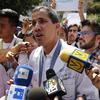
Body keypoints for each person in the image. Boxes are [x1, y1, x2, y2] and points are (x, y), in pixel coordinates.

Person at [27, 6, 99, 100]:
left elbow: (89, 95)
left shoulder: (76, 55)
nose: (36, 27)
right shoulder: (34, 55)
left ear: (57, 27)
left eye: (42, 21)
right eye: (33, 23)